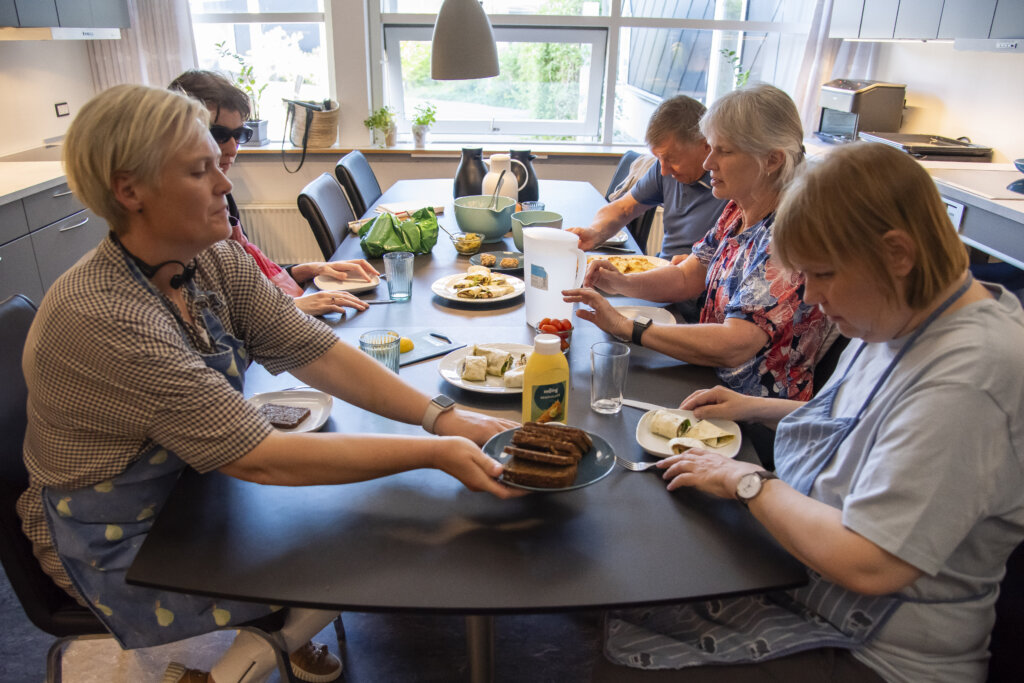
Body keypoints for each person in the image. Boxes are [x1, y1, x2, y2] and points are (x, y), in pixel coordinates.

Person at [17, 84, 523, 683]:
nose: (225, 183)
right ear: (130, 191)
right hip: (119, 534)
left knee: (363, 525)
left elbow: (316, 350)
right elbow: (260, 458)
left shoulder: (211, 259)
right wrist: (436, 452)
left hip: (193, 487)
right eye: (200, 169)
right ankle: (229, 665)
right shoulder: (107, 316)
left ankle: (266, 641)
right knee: (362, 548)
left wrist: (440, 416)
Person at [594, 142, 1024, 683]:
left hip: (875, 650)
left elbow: (870, 561)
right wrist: (751, 405)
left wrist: (747, 482)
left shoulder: (971, 378)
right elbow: (858, 419)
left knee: (630, 663)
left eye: (822, 274)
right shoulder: (910, 309)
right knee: (637, 568)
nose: (813, 296)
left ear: (897, 253)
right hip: (809, 579)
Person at [564, 85, 835, 401]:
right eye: (710, 148)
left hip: (754, 417)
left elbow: (736, 344)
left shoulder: (792, 234)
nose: (709, 163)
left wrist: (628, 327)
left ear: (772, 159)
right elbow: (687, 277)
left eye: (724, 151)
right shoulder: (738, 209)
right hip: (707, 381)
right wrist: (619, 282)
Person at [169, 69, 375, 317]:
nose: (232, 147)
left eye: (239, 135)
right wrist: (293, 307)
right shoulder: (177, 223)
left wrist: (303, 270)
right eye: (220, 135)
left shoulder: (220, 196)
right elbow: (215, 313)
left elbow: (247, 277)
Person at [567, 95, 729, 263]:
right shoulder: (664, 169)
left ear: (705, 145)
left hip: (699, 282)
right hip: (664, 272)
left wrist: (697, 269)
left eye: (672, 159)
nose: (664, 170)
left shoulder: (731, 187)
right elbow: (623, 208)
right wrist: (594, 233)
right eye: (659, 159)